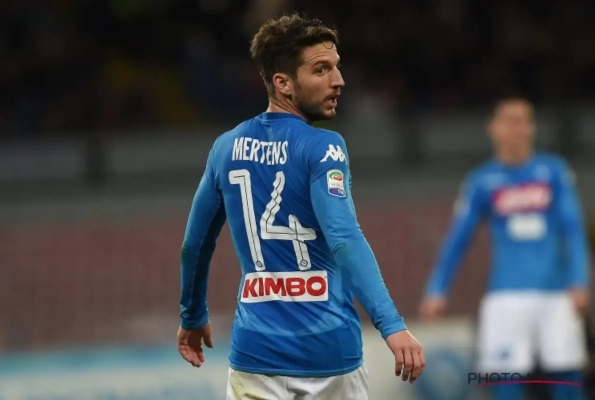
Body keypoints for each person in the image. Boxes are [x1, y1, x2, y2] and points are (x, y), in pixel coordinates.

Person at [176, 13, 425, 400]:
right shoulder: (323, 147)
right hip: (330, 358)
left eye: (336, 67)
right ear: (283, 83)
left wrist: (192, 315)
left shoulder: (225, 148)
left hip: (254, 359)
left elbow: (194, 245)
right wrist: (391, 324)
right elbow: (344, 238)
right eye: (321, 70)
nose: (338, 80)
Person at [419, 98, 591, 400]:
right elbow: (458, 239)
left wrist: (579, 281)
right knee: (506, 383)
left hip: (556, 294)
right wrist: (437, 288)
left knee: (567, 382)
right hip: (505, 297)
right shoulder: (482, 181)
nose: (517, 128)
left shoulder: (554, 172)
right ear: (493, 128)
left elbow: (573, 231)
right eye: (510, 121)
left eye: (524, 121)